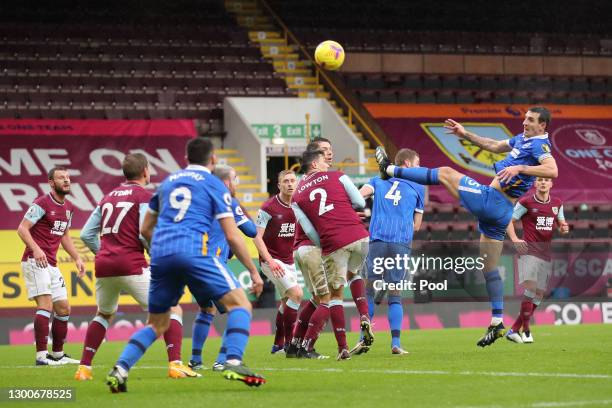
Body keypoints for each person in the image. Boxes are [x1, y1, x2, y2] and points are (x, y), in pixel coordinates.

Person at [375, 106, 558, 347]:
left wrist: (520, 168)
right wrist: (465, 134)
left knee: (445, 173)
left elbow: (552, 169)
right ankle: (496, 320)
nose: (525, 122)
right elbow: (493, 145)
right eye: (525, 118)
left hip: (492, 201)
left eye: (531, 120)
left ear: (543, 125)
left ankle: (388, 170)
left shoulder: (539, 145)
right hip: (501, 214)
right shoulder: (523, 139)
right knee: (488, 266)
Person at [105, 138, 265, 393]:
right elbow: (234, 235)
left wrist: (164, 248)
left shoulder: (167, 183)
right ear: (212, 160)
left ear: (186, 158)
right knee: (240, 304)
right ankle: (233, 360)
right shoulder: (214, 184)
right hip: (194, 252)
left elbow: (146, 229)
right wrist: (254, 272)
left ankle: (120, 369)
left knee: (157, 323)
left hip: (161, 257)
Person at [76, 154, 198, 380]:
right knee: (173, 310)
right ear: (145, 171)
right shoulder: (144, 196)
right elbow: (145, 230)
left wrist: (102, 252)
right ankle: (176, 364)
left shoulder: (107, 197)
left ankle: (84, 368)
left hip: (104, 265)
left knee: (104, 313)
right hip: (130, 263)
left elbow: (85, 234)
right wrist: (156, 253)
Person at [291, 149, 371, 360]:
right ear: (315, 164)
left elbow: (308, 231)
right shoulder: (339, 175)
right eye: (324, 161)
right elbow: (361, 203)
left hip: (333, 244)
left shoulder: (296, 197)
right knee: (355, 273)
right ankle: (364, 314)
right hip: (361, 236)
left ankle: (342, 348)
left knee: (335, 296)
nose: (328, 163)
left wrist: (325, 243)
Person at [353, 148, 424, 356]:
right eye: (417, 163)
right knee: (395, 294)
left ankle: (362, 338)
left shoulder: (377, 180)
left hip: (377, 241)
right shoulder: (418, 186)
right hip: (400, 244)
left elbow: (358, 197)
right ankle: (395, 343)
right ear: (408, 164)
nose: (419, 167)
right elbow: (417, 226)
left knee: (369, 291)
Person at [189, 165, 257, 371]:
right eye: (235, 179)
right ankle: (222, 360)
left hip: (192, 263)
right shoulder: (227, 201)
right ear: (226, 182)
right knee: (238, 307)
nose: (237, 183)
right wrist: (241, 211)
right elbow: (251, 231)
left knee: (206, 309)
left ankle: (196, 360)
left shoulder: (198, 200)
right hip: (213, 264)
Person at [17, 166, 85, 366]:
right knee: (45, 305)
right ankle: (41, 356)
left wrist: (77, 257)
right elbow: (22, 228)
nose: (66, 180)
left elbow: (64, 235)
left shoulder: (69, 208)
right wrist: (36, 249)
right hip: (34, 260)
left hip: (52, 264)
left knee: (63, 308)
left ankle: (57, 354)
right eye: (61, 178)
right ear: (51, 182)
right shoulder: (41, 203)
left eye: (67, 177)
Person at [505, 177, 569, 343]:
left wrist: (564, 228)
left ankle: (513, 330)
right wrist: (515, 239)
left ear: (551, 184)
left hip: (545, 254)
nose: (543, 182)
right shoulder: (526, 202)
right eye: (540, 179)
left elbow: (562, 223)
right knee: (531, 289)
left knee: (539, 294)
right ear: (535, 183)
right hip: (529, 251)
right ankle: (526, 330)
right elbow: (508, 221)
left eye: (546, 180)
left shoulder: (557, 203)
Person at [253, 170, 303, 354]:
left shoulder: (299, 205)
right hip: (271, 260)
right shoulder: (268, 208)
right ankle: (291, 345)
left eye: (293, 181)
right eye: (286, 181)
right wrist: (270, 261)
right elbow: (256, 238)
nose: (290, 184)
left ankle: (277, 345)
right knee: (297, 295)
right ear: (279, 185)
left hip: (289, 261)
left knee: (286, 302)